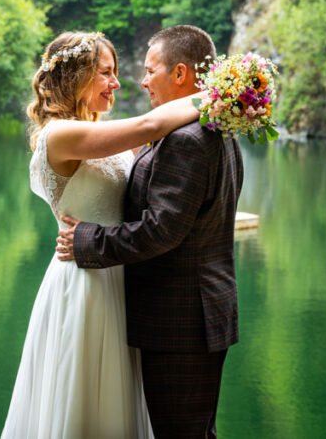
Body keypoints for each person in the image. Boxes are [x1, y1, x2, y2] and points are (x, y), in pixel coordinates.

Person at [1, 31, 199, 439]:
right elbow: (151, 124)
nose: (117, 83)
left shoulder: (97, 129)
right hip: (85, 282)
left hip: (117, 274)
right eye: (106, 73)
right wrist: (224, 94)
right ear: (76, 78)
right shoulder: (61, 135)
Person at [56, 25, 244, 439]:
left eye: (149, 69)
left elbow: (161, 230)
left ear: (180, 75)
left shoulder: (187, 140)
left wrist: (88, 239)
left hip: (181, 320)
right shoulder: (212, 128)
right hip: (196, 312)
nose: (141, 80)